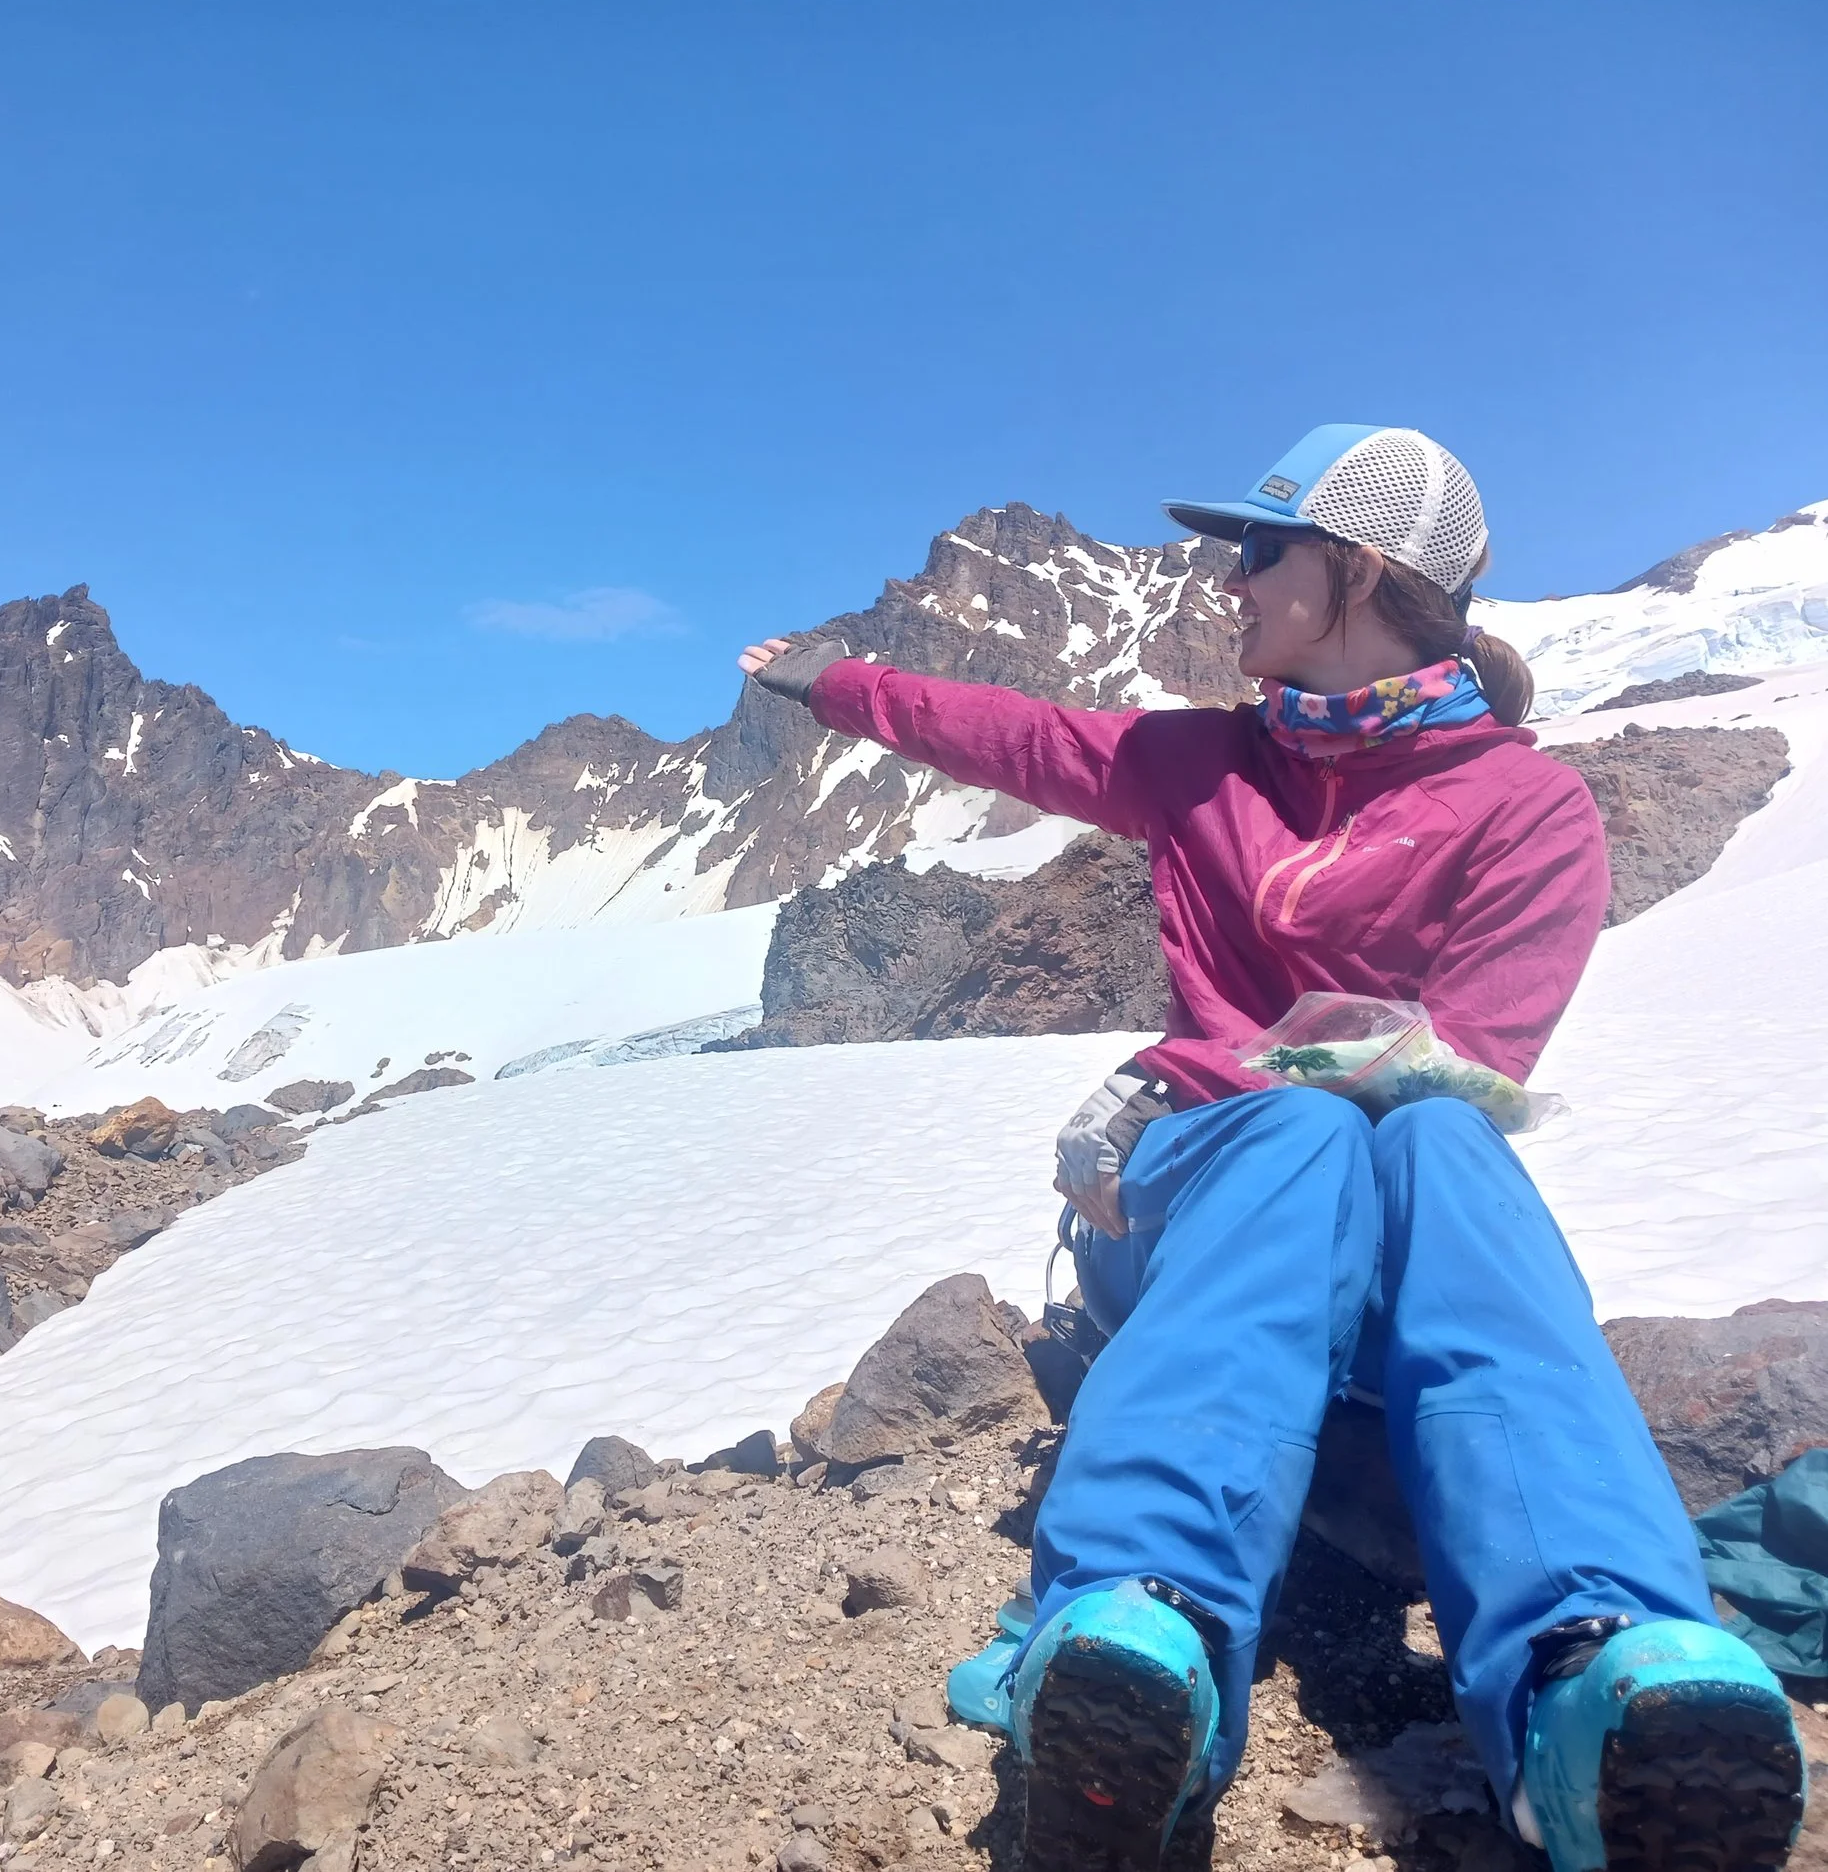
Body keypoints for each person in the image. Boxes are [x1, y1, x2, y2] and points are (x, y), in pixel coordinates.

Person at [741, 425, 1805, 1872]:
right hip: (1209, 1204)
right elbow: (1016, 735)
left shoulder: (1527, 809)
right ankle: (1144, 1621)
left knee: (1439, 1133)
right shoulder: (1199, 762)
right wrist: (836, 686)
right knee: (1313, 1125)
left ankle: (1597, 1673)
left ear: (1356, 571)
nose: (1227, 580)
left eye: (1258, 549)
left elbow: (1472, 1069)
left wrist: (1270, 1064)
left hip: (1378, 1227)